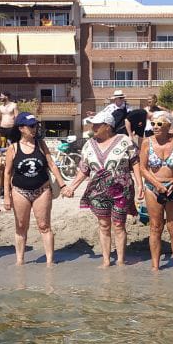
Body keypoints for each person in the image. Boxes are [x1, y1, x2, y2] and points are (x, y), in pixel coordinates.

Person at [62, 108, 141, 268]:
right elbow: (84, 170)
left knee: (119, 224)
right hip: (97, 191)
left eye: (97, 125)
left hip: (122, 189)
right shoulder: (88, 145)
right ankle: (106, 260)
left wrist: (140, 184)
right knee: (103, 224)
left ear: (108, 126)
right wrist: (72, 187)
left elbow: (135, 162)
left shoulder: (124, 140)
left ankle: (120, 260)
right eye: (93, 125)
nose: (93, 128)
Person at [2, 112, 65, 264]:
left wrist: (62, 184)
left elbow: (51, 164)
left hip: (42, 190)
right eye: (31, 126)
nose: (34, 128)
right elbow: (7, 172)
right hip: (20, 191)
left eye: (35, 125)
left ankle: (50, 262)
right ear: (21, 128)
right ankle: (20, 261)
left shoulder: (41, 145)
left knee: (44, 225)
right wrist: (6, 196)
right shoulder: (14, 148)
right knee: (21, 226)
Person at [137, 110, 173, 271]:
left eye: (159, 124)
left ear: (168, 125)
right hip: (153, 187)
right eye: (153, 123)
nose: (155, 127)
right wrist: (156, 184)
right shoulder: (147, 142)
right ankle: (155, 266)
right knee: (155, 226)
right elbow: (142, 167)